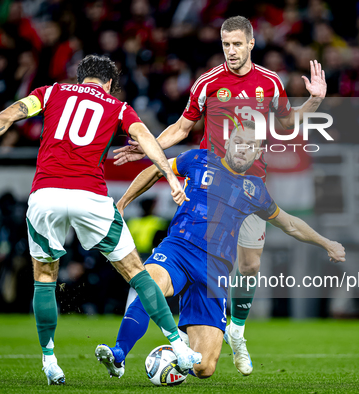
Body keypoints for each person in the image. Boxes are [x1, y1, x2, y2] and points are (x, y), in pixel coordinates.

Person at [0, 55, 201, 385]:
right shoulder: (118, 106)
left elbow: (9, 114)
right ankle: (178, 347)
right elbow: (145, 139)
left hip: (45, 195)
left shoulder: (51, 92)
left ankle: (50, 360)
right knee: (137, 274)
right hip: (91, 197)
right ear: (109, 82)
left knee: (44, 278)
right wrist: (168, 176)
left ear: (80, 77)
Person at [112, 15, 327, 376]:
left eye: (237, 44)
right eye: (226, 44)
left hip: (250, 185)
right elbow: (183, 127)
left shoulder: (270, 82)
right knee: (194, 258)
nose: (231, 51)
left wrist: (315, 102)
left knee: (250, 266)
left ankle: (237, 331)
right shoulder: (208, 82)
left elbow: (288, 124)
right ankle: (188, 334)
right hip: (209, 179)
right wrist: (148, 147)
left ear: (251, 44)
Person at [95, 120, 345, 379]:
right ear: (227, 144)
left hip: (215, 270)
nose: (242, 149)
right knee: (149, 284)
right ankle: (118, 354)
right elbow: (158, 169)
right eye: (238, 142)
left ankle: (176, 350)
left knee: (204, 368)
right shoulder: (198, 159)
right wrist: (122, 203)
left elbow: (290, 224)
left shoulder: (255, 190)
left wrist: (326, 243)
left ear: (258, 153)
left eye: (251, 146)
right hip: (178, 250)